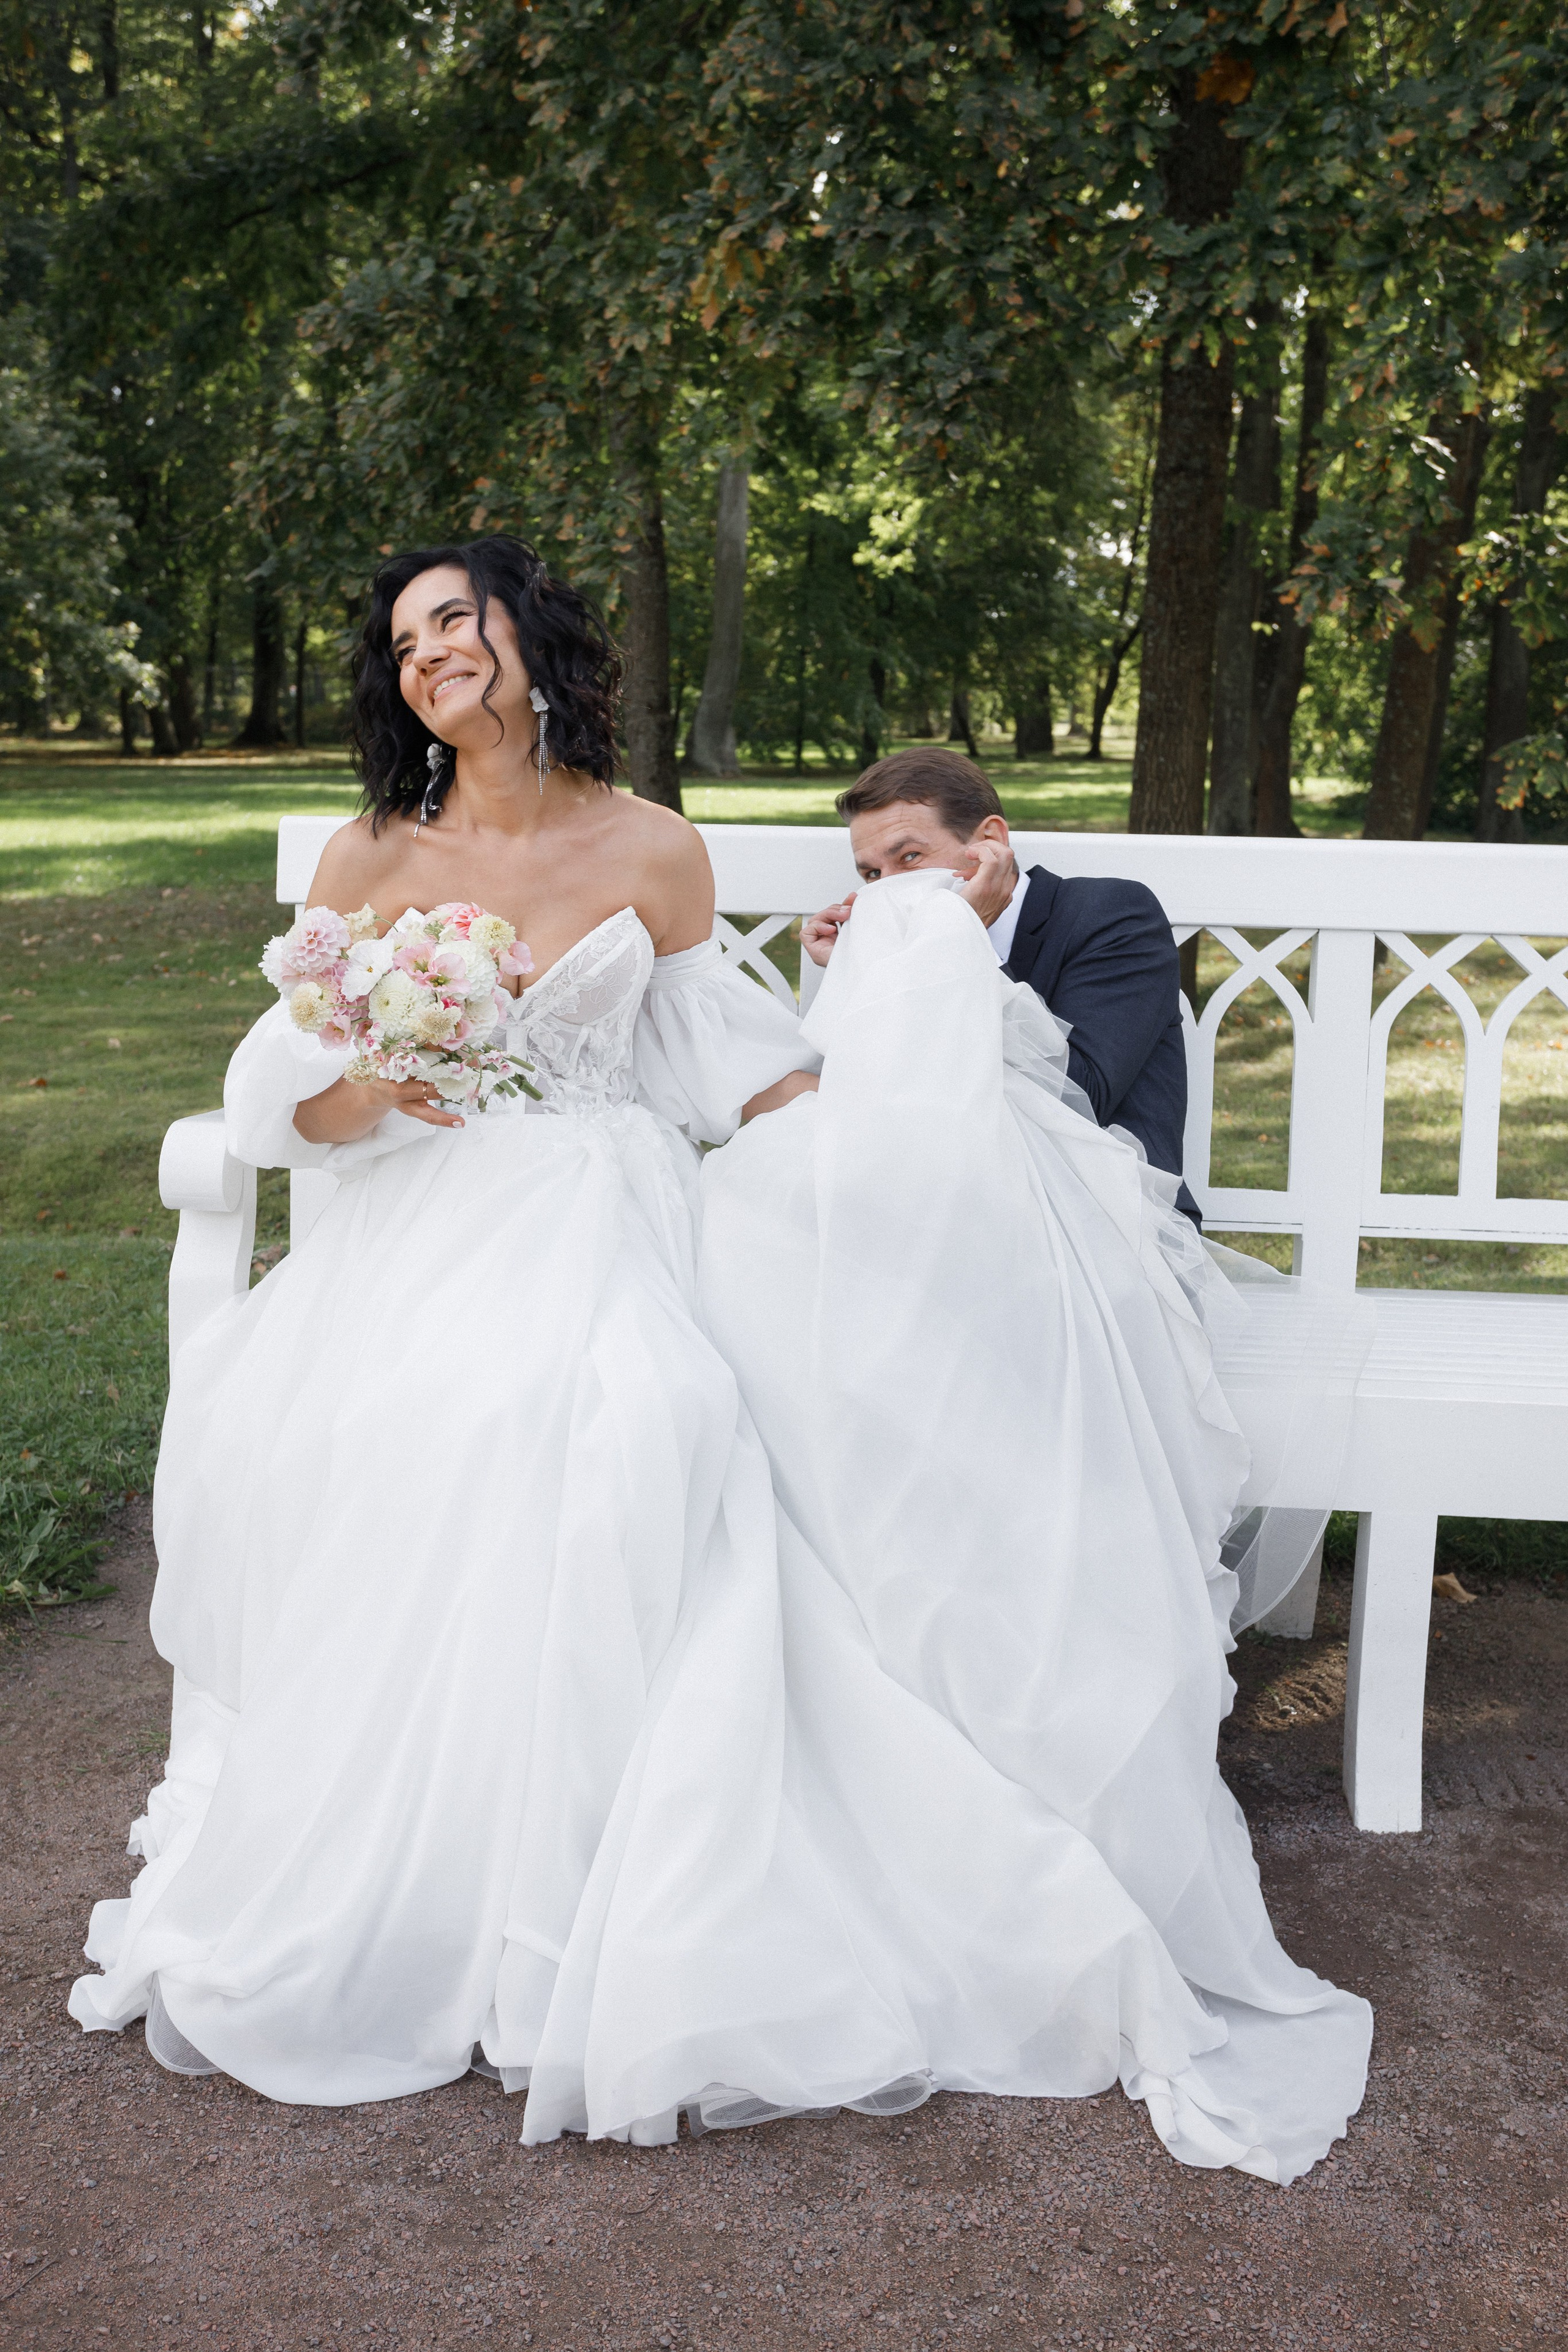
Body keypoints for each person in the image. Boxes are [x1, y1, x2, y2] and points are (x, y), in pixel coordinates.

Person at [70, 535, 1371, 2183]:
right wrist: (383, 1090)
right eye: (402, 643)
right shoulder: (369, 856)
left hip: (604, 1209)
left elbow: (730, 1070)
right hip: (417, 1222)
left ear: (528, 643)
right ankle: (442, 1900)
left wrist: (904, 1126)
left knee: (645, 1415)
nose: (428, 655)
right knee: (444, 1418)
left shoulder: (654, 848)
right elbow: (301, 1110)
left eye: (452, 619)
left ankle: (605, 1902)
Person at [804, 746, 1200, 1223]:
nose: (886, 889)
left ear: (989, 841)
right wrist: (871, 971)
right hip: (937, 1214)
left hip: (1104, 1222)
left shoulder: (1111, 913)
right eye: (871, 874)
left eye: (909, 857)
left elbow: (1081, 1099)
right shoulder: (902, 961)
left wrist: (958, 945)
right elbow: (874, 1111)